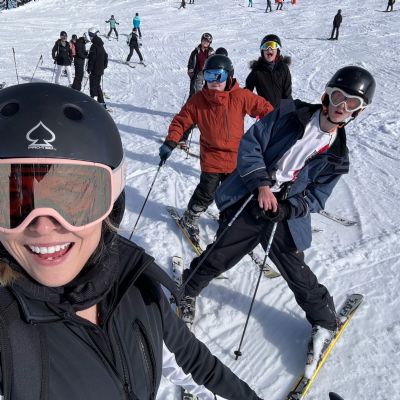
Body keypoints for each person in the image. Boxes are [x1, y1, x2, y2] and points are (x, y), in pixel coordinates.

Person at [0, 82, 264, 400]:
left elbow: (194, 364)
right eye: (13, 201)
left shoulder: (135, 282)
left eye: (71, 197)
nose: (43, 226)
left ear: (112, 203)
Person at [181, 66, 376, 379]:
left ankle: (325, 320)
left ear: (358, 111)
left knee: (296, 271)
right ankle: (188, 290)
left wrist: (287, 209)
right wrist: (261, 183)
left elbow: (317, 197)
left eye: (352, 103)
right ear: (326, 94)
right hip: (250, 196)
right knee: (221, 253)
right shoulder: (288, 114)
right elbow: (251, 145)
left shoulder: (338, 157)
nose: (342, 106)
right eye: (339, 96)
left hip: (282, 213)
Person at [159, 55, 274, 244]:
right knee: (207, 192)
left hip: (236, 158)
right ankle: (190, 216)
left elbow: (265, 109)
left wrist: (271, 128)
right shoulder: (198, 100)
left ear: (229, 76)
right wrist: (170, 141)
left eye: (219, 76)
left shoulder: (241, 96)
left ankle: (228, 220)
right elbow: (181, 121)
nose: (214, 81)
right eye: (209, 75)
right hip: (211, 157)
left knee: (234, 194)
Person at [180, 32, 215, 145]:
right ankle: (187, 117)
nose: (205, 42)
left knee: (200, 100)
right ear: (201, 40)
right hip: (196, 77)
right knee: (194, 98)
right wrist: (191, 73)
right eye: (204, 40)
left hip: (207, 79)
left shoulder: (212, 53)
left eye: (207, 41)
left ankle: (191, 116)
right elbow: (190, 64)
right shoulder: (195, 52)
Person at [245, 34, 292, 109]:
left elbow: (287, 93)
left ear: (277, 50)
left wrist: (288, 111)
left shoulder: (283, 68)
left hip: (281, 111)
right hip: (265, 112)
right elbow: (246, 92)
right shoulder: (257, 71)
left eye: (272, 46)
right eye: (266, 46)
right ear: (262, 52)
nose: (269, 49)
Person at [87, 27, 108, 109]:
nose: (89, 36)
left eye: (90, 35)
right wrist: (104, 66)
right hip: (100, 70)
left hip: (94, 70)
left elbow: (92, 59)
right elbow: (106, 56)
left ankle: (93, 105)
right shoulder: (100, 45)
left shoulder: (94, 46)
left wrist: (89, 68)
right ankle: (102, 102)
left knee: (93, 86)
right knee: (97, 85)